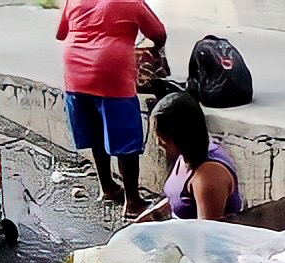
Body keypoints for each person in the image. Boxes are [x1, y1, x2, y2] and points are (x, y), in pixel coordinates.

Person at [56, 0, 166, 218]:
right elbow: (158, 33)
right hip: (111, 71)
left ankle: (108, 187)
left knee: (95, 132)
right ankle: (133, 202)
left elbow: (61, 33)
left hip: (75, 72)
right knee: (126, 141)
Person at [152, 92, 242, 220]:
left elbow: (208, 234)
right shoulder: (186, 153)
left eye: (163, 138)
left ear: (181, 136)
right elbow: (176, 198)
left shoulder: (208, 176)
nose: (158, 143)